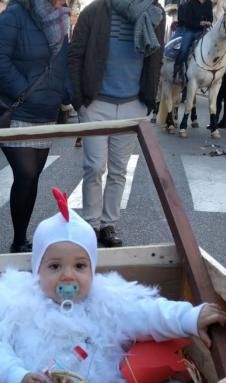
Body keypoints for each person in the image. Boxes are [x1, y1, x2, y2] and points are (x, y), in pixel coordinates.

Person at [0, 189, 226, 383]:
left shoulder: (105, 302)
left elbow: (146, 312)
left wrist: (189, 318)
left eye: (80, 266)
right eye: (54, 266)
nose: (68, 275)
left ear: (92, 271)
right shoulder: (15, 304)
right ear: (36, 270)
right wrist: (16, 376)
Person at [69, 0, 164, 248]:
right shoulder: (94, 12)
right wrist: (79, 101)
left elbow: (156, 60)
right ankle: (91, 224)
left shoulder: (154, 14)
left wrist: (148, 102)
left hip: (133, 104)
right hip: (96, 104)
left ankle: (109, 224)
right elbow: (75, 54)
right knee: (94, 167)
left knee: (119, 170)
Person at [0, 0, 71, 254]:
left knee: (33, 176)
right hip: (19, 109)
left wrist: (65, 92)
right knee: (25, 175)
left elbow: (63, 61)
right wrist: (23, 91)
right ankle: (19, 240)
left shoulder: (62, 18)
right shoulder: (13, 15)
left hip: (47, 110)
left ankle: (21, 238)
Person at [172, 0, 213, 84]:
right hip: (190, 30)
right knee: (183, 50)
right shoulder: (190, 3)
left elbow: (210, 17)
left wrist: (208, 22)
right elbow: (187, 21)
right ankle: (177, 72)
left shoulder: (208, 3)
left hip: (203, 31)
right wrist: (200, 23)